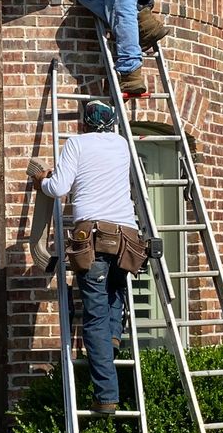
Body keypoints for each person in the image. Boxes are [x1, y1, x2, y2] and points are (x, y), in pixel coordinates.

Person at [32, 99, 142, 413]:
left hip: (92, 237)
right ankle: (113, 338)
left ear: (84, 123)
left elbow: (59, 187)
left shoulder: (76, 144)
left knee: (93, 318)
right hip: (125, 238)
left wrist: (42, 181)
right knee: (115, 290)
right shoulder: (122, 144)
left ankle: (106, 397)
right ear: (109, 123)